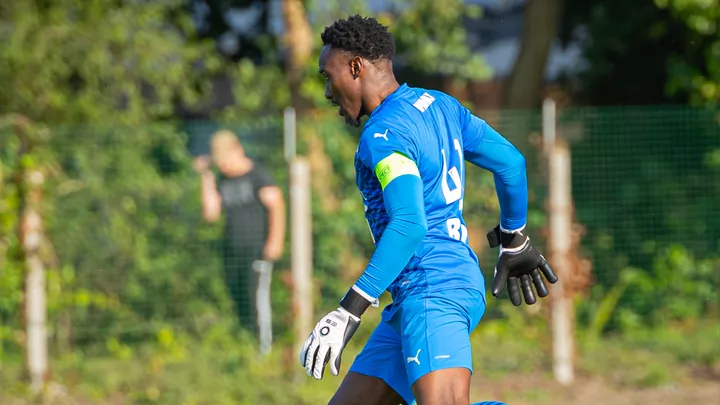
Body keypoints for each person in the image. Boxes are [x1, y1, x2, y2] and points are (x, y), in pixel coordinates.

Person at [299, 15, 558, 405]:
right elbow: (511, 162)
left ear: (355, 67)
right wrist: (514, 237)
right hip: (424, 292)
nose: (326, 92)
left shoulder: (383, 135)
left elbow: (409, 223)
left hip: (432, 288)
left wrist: (349, 309)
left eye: (327, 75)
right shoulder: (441, 106)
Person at [193, 129, 286, 354]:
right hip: (232, 252)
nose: (223, 167)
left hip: (257, 250)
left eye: (225, 161)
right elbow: (211, 214)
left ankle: (264, 351)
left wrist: (275, 242)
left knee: (257, 300)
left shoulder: (258, 176)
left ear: (237, 150)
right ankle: (245, 346)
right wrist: (205, 176)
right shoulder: (222, 180)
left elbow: (276, 205)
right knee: (239, 300)